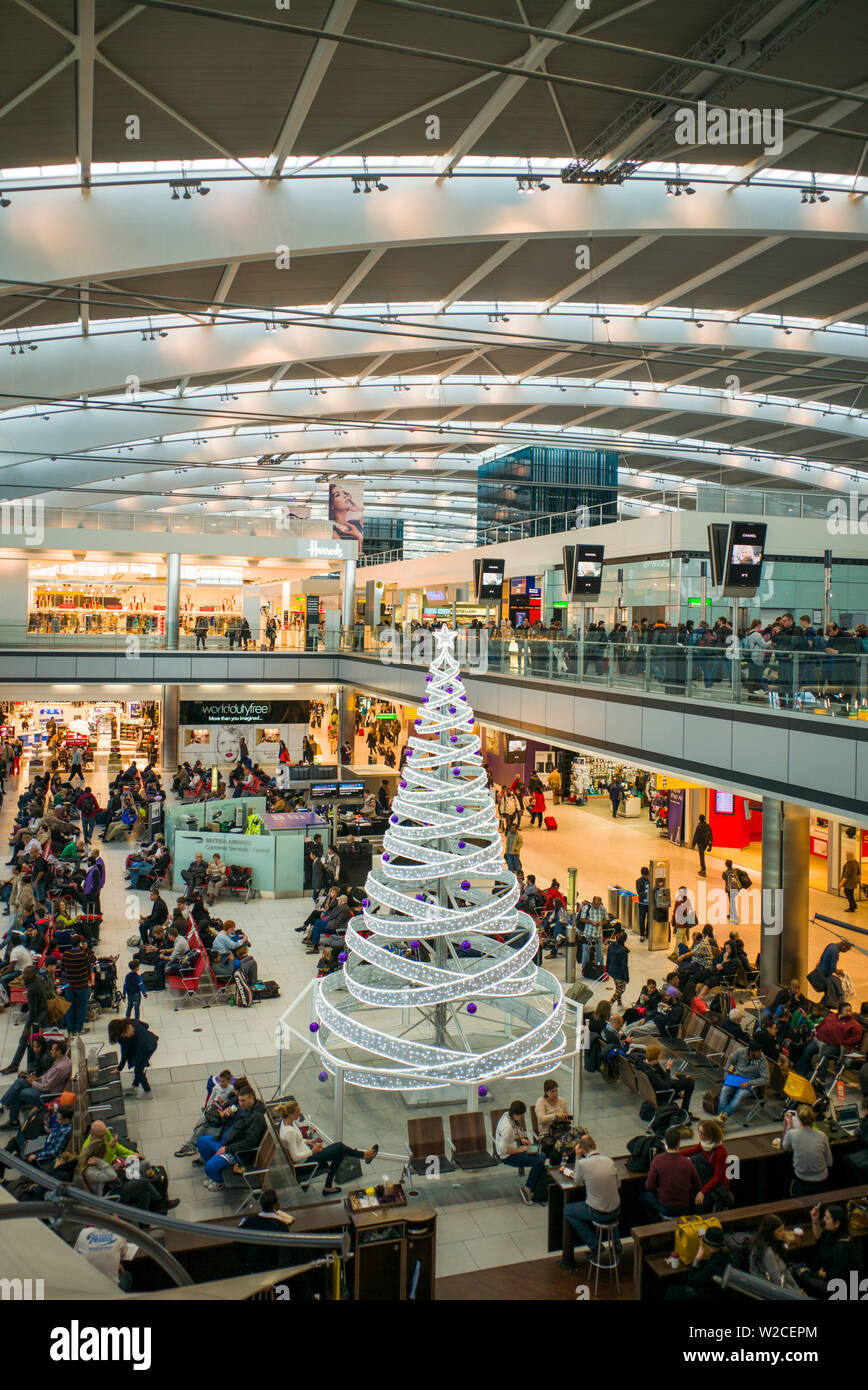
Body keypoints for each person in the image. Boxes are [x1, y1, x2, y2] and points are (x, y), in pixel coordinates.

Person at [276, 1099, 378, 1194]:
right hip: (306, 1163)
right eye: (297, 1112)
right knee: (339, 1147)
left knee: (340, 1153)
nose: (300, 1113)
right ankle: (364, 1155)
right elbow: (295, 1157)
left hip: (307, 1155)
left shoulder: (286, 1123)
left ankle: (328, 1187)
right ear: (290, 1114)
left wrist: (308, 1141)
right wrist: (313, 1151)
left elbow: (296, 1142)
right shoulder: (289, 1132)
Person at [561, 1134, 622, 1268]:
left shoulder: (583, 1163)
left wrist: (577, 1158)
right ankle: (616, 1243)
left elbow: (577, 1181)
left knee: (568, 1211)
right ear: (595, 1146)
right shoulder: (609, 1160)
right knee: (609, 1203)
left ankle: (595, 1246)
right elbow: (618, 1185)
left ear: (581, 1150)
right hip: (616, 1210)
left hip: (598, 1213)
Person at [197, 1085, 267, 1190]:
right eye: (239, 1100)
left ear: (252, 1098)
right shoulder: (240, 1109)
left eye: (244, 1100)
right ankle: (217, 1168)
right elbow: (223, 1123)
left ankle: (219, 1181)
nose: (240, 1103)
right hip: (223, 1141)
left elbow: (249, 1142)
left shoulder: (256, 1118)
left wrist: (227, 1148)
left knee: (209, 1168)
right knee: (201, 1142)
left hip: (235, 1150)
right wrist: (226, 1116)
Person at [0, 1039, 72, 1126]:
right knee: (20, 1082)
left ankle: (13, 1119)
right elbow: (48, 1075)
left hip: (46, 1094)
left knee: (18, 1093)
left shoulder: (60, 1068)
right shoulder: (63, 1060)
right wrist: (37, 1078)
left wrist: (32, 1083)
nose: (51, 1051)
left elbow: (46, 1087)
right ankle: (3, 1104)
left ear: (59, 1051)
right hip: (41, 1083)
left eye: (53, 1049)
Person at [494, 1100, 548, 1206]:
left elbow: (515, 1130)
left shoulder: (507, 1115)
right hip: (508, 1156)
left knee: (542, 1154)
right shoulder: (507, 1128)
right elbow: (502, 1150)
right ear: (516, 1114)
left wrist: (521, 1138)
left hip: (516, 1146)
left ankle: (536, 1186)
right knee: (538, 1162)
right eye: (522, 1115)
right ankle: (527, 1189)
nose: (522, 1117)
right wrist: (520, 1150)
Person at [641, 1127, 701, 1220]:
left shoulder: (657, 1160)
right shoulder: (687, 1162)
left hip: (664, 1206)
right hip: (684, 1207)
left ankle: (656, 1223)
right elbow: (697, 1185)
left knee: (644, 1197)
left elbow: (649, 1186)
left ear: (665, 1143)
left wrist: (659, 1191)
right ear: (679, 1143)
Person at [681, 1119, 733, 1210]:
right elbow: (695, 1150)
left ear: (709, 1135)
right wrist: (676, 1154)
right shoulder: (705, 1144)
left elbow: (718, 1177)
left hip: (717, 1185)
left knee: (701, 1204)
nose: (699, 1135)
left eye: (702, 1133)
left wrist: (702, 1192)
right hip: (708, 1178)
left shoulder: (720, 1153)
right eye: (699, 1132)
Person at [782, 1105, 833, 1196]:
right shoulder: (822, 1135)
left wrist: (789, 1127)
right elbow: (829, 1162)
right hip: (821, 1180)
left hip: (802, 1179)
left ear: (798, 1119)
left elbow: (785, 1146)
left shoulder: (792, 1134)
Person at [748, 1214, 804, 1294]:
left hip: (781, 1283)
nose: (783, 1233)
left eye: (783, 1229)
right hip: (770, 1288)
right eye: (779, 1231)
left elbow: (785, 1270)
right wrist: (796, 1293)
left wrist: (796, 1288)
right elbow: (777, 1280)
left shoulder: (776, 1243)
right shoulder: (768, 1252)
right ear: (771, 1232)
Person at [107, 1017, 159, 1097]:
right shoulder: (131, 1021)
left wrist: (119, 1068)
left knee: (138, 1071)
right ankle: (134, 1087)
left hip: (145, 1049)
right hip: (152, 1041)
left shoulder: (124, 1037)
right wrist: (140, 1034)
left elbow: (125, 1054)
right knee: (139, 1067)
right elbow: (146, 1025)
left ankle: (148, 1092)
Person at [605, 930, 629, 1006]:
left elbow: (608, 958)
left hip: (612, 970)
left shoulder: (611, 946)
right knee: (621, 989)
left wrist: (607, 969)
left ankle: (619, 1003)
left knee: (618, 986)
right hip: (619, 973)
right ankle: (610, 1003)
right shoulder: (623, 952)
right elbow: (624, 966)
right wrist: (626, 977)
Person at [635, 866, 650, 940]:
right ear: (642, 875)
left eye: (648, 875)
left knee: (649, 919)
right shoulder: (638, 881)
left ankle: (648, 933)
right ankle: (642, 934)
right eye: (646, 875)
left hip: (650, 904)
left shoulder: (652, 880)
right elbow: (639, 892)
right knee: (642, 919)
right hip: (642, 904)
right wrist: (647, 893)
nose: (647, 876)